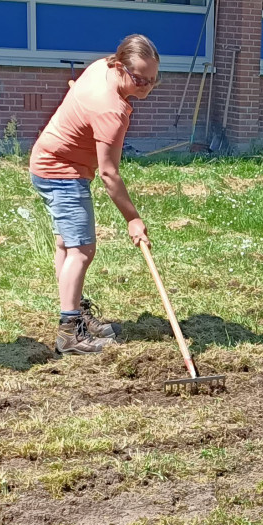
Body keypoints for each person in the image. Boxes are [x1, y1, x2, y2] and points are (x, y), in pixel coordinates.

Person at [27, 34, 159, 355]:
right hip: (62, 171)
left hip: (47, 161)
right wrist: (133, 219)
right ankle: (69, 334)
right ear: (121, 66)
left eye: (155, 80)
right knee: (82, 250)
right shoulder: (111, 111)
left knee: (67, 244)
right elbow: (109, 173)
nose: (147, 88)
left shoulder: (102, 66)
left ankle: (76, 314)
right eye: (140, 80)